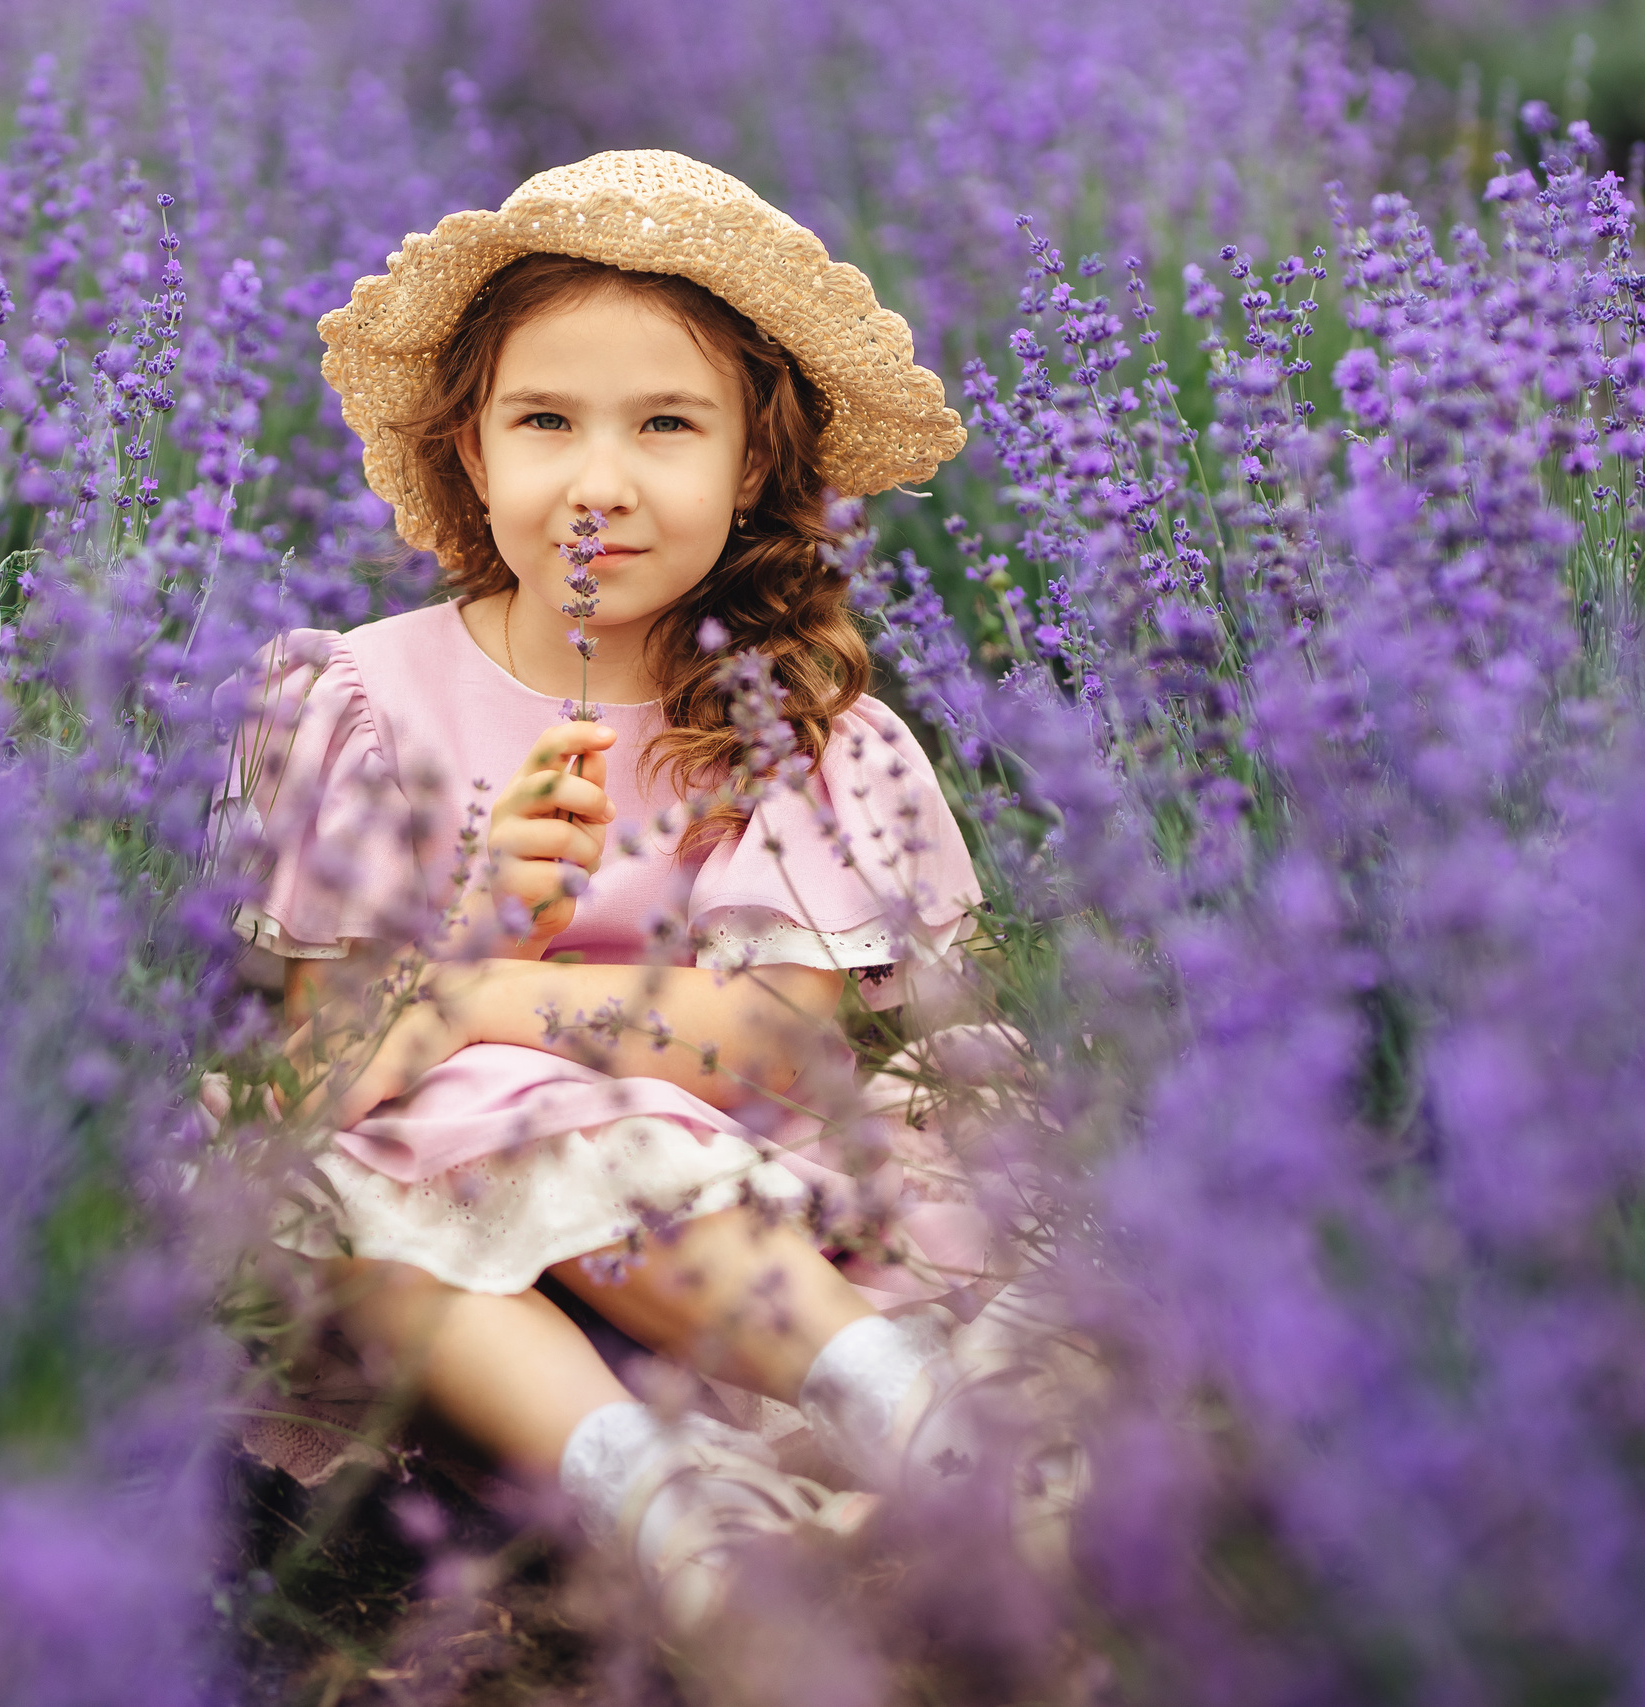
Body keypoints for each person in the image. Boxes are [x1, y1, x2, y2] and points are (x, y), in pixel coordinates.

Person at [219, 151, 1075, 1637]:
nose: (598, 484)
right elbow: (323, 1073)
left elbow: (767, 1041)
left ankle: (916, 1420)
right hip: (469, 1280)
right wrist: (471, 919)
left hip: (739, 1225)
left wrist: (474, 997)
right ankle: (673, 1514)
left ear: (751, 466)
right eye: (545, 420)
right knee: (361, 1187)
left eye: (666, 424)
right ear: (473, 449)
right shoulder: (363, 703)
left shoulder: (785, 722)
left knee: (516, 1102)